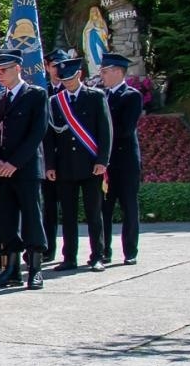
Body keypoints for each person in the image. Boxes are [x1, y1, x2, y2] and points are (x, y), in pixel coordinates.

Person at [0, 51, 49, 290]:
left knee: (32, 216)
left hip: (26, 168)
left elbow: (37, 132)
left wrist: (14, 163)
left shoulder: (36, 94)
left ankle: (35, 268)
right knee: (6, 218)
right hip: (1, 170)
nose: (0, 75)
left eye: (5, 70)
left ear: (18, 68)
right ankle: (10, 269)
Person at [44, 57, 112, 272]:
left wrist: (102, 160)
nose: (67, 83)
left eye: (71, 78)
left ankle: (97, 255)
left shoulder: (95, 96)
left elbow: (105, 131)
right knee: (69, 215)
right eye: (63, 79)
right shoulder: (55, 102)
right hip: (66, 166)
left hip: (91, 164)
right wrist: (50, 165)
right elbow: (50, 136)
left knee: (94, 213)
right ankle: (69, 257)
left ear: (79, 75)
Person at [98, 53, 143, 265]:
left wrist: (101, 135)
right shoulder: (100, 96)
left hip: (124, 162)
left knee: (129, 207)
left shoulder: (131, 96)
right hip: (105, 163)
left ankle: (130, 251)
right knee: (104, 209)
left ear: (117, 71)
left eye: (105, 71)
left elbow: (125, 129)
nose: (101, 75)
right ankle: (104, 250)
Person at [42, 48, 68, 261]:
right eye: (54, 65)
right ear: (47, 67)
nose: (59, 69)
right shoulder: (42, 90)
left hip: (69, 156)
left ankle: (70, 253)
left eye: (62, 65)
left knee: (69, 208)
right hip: (47, 156)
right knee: (48, 207)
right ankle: (48, 249)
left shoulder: (72, 90)